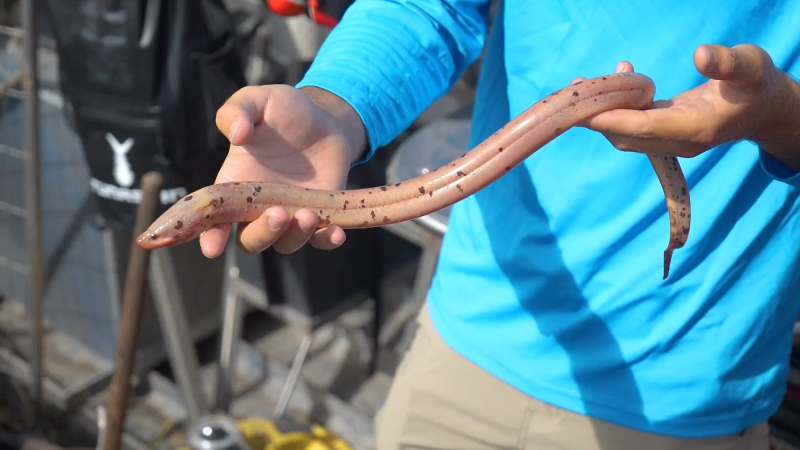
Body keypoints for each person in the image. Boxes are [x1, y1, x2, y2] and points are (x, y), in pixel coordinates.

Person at [200, 1, 800, 448]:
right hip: (467, 339)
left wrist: (781, 118)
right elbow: (428, 6)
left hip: (690, 391)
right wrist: (334, 106)